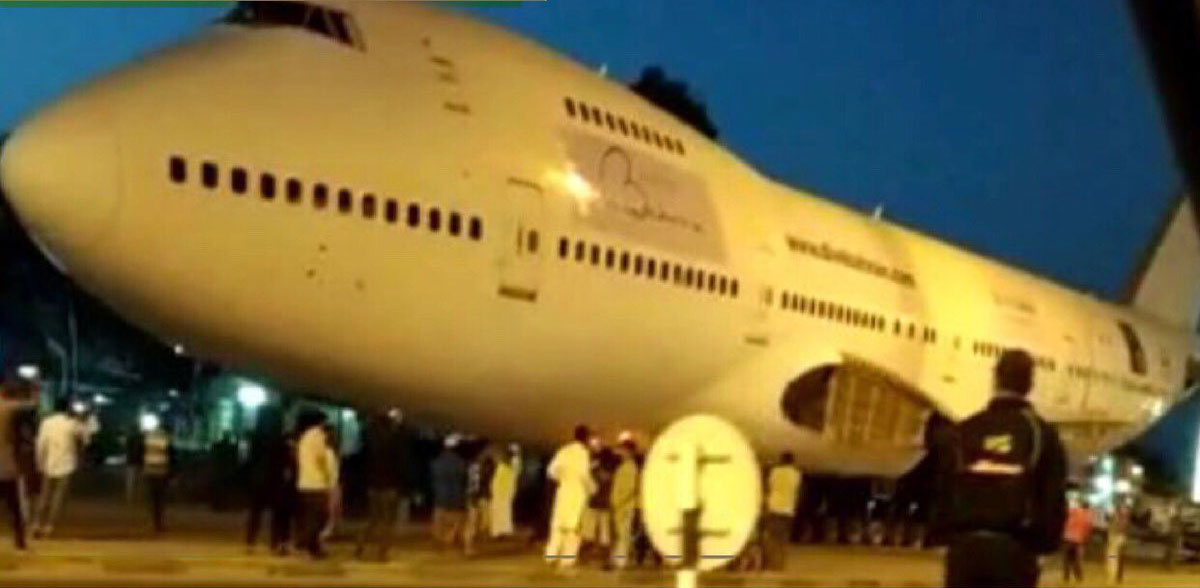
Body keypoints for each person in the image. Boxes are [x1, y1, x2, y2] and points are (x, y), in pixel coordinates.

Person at [932, 348, 1067, 588]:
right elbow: (1053, 497)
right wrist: (1044, 546)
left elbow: (943, 487)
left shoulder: (965, 430)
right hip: (1014, 552)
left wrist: (942, 539)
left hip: (965, 550)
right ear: (1030, 383)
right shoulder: (1042, 434)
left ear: (995, 378)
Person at [355, 410, 408, 562]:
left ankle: (361, 545)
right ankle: (382, 552)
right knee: (387, 521)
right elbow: (401, 460)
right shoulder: (393, 441)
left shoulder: (371, 442)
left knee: (373, 519)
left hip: (373, 485)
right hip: (390, 485)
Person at [32, 397, 88, 538]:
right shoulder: (72, 423)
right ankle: (49, 527)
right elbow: (84, 439)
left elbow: (40, 444)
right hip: (67, 464)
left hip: (48, 463)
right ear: (68, 408)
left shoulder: (46, 423)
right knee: (58, 497)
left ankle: (37, 524)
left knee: (44, 496)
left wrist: (39, 462)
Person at [545, 425, 596, 571]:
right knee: (573, 529)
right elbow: (584, 476)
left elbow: (551, 471)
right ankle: (567, 560)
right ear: (586, 438)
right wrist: (593, 489)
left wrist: (562, 476)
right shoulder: (582, 454)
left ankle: (551, 555)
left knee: (557, 526)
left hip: (562, 491)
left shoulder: (564, 451)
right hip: (577, 494)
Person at [0, 374, 37, 550]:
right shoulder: (7, 407)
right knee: (14, 507)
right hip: (6, 466)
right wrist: (34, 384)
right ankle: (20, 540)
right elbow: (31, 404)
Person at [245, 405, 289, 554]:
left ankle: (250, 541)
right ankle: (275, 542)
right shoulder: (281, 438)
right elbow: (284, 459)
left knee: (255, 512)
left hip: (258, 477)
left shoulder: (256, 437)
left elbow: (250, 458)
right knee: (277, 513)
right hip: (275, 477)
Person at [295, 411, 337, 559]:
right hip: (316, 483)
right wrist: (327, 476)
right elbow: (320, 458)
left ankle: (313, 548)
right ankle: (305, 543)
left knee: (312, 516)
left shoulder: (304, 437)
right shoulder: (317, 435)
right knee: (320, 517)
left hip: (305, 482)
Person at [763, 451, 801, 571]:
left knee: (772, 537)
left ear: (782, 460)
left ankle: (772, 564)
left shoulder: (775, 472)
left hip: (774, 507)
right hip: (788, 510)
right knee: (783, 539)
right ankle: (781, 565)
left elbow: (769, 486)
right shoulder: (796, 474)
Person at [430, 434, 468, 552]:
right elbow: (463, 480)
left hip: (440, 496)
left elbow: (433, 478)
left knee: (439, 522)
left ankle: (439, 543)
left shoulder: (436, 462)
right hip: (456, 496)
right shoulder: (460, 462)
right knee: (456, 521)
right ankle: (455, 541)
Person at [581, 445, 616, 567]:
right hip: (605, 504)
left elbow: (587, 479)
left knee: (588, 532)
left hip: (593, 503)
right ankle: (606, 560)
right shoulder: (613, 470)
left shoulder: (595, 467)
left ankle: (584, 558)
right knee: (604, 535)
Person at [610, 434, 640, 569]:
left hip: (624, 506)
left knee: (623, 535)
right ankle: (617, 560)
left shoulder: (630, 467)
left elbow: (631, 489)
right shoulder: (624, 466)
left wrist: (619, 502)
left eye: (622, 449)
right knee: (620, 535)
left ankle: (620, 562)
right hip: (619, 505)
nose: (620, 452)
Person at [142, 416, 173, 534]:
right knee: (160, 500)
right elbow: (169, 453)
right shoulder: (165, 438)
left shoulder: (148, 437)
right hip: (161, 471)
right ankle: (158, 522)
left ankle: (156, 522)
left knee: (153, 499)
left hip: (151, 471)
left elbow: (144, 452)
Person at [464, 442, 495, 557]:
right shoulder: (476, 466)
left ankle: (473, 545)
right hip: (477, 497)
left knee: (481, 523)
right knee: (473, 523)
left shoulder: (486, 464)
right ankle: (469, 547)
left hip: (481, 497)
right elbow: (474, 484)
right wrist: (474, 498)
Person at [489, 443, 520, 539]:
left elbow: (496, 480)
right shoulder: (510, 466)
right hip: (505, 492)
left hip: (501, 492)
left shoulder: (504, 466)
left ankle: (499, 531)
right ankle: (502, 530)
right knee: (504, 512)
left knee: (499, 512)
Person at [1062, 495, 1092, 585]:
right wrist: (1086, 539)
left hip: (1067, 538)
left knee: (1067, 560)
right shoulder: (1086, 515)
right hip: (1078, 540)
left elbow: (1064, 520)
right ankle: (1079, 578)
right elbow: (1087, 528)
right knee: (1076, 560)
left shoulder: (1072, 511)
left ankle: (1066, 578)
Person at [1105, 501, 1130, 585]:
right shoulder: (1125, 517)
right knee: (1120, 559)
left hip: (1115, 539)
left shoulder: (1115, 516)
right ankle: (1118, 577)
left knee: (1112, 558)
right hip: (1121, 539)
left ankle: (1112, 577)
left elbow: (1108, 519)